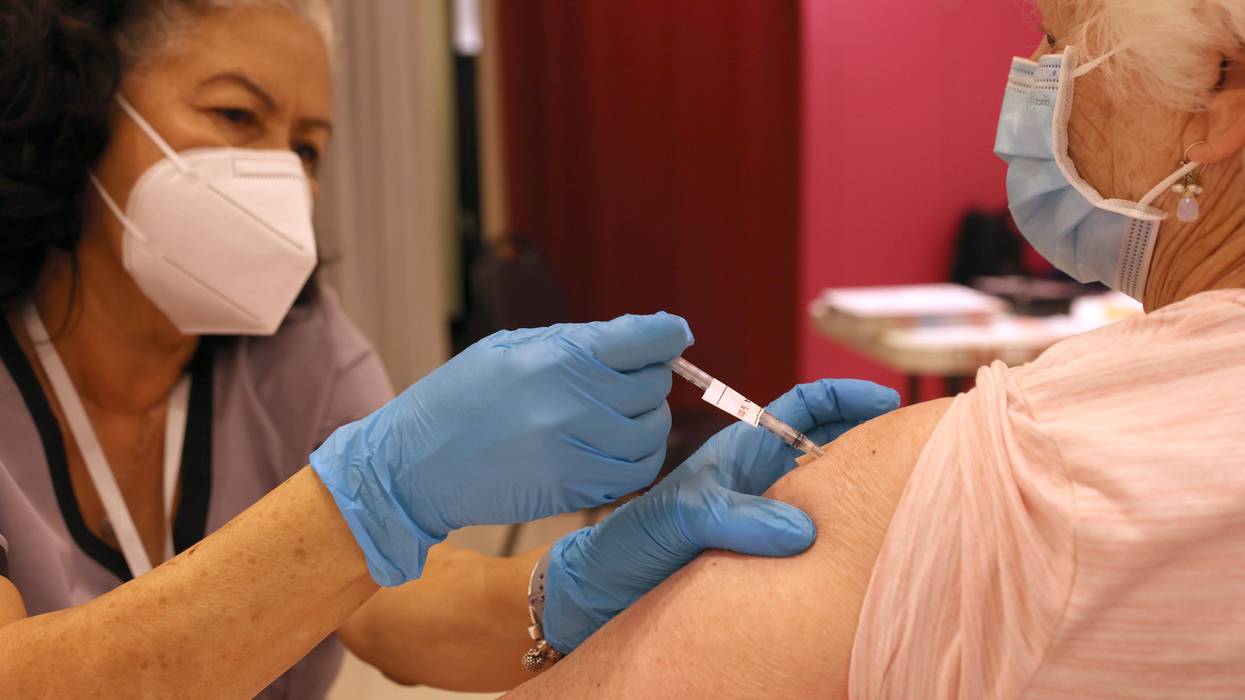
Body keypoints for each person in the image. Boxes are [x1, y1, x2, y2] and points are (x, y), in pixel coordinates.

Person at [0, 1, 901, 697]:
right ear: (81, 109)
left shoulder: (291, 347)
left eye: (308, 149)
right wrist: (372, 498)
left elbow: (399, 607)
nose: (281, 179)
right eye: (238, 116)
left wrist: (585, 580)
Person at [507, 0, 1245, 697]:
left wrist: (543, 584)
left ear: (1214, 90)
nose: (1031, 75)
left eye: (1056, 42)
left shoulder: (1019, 476)